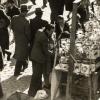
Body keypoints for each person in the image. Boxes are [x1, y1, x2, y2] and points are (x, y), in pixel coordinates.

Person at [28, 24, 54, 97]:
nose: (52, 33)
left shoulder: (40, 31)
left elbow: (48, 37)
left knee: (38, 75)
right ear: (47, 30)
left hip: (34, 56)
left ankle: (38, 90)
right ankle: (31, 92)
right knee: (36, 75)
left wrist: (50, 36)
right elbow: (46, 51)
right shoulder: (44, 38)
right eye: (51, 32)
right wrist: (54, 54)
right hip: (39, 58)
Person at [11, 5, 31, 76]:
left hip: (17, 38)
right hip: (24, 40)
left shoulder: (14, 17)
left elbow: (12, 27)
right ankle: (16, 72)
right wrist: (29, 40)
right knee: (21, 56)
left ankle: (24, 66)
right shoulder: (26, 21)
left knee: (21, 53)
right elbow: (27, 33)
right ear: (25, 12)